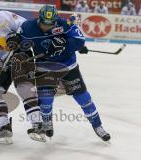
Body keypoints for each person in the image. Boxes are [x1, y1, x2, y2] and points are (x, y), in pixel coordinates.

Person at [7, 4, 111, 142]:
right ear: (39, 19)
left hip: (68, 66)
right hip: (44, 67)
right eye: (44, 23)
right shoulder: (27, 27)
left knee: (84, 98)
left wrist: (65, 45)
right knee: (45, 101)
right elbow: (18, 40)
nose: (46, 27)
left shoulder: (65, 24)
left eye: (50, 24)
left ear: (56, 20)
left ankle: (98, 126)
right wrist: (13, 41)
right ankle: (47, 124)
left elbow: (79, 41)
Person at [0, 2, 46, 144]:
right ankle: (3, 127)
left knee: (23, 85)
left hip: (22, 53)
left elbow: (26, 26)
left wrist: (16, 36)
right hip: (4, 62)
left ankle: (38, 125)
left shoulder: (2, 16)